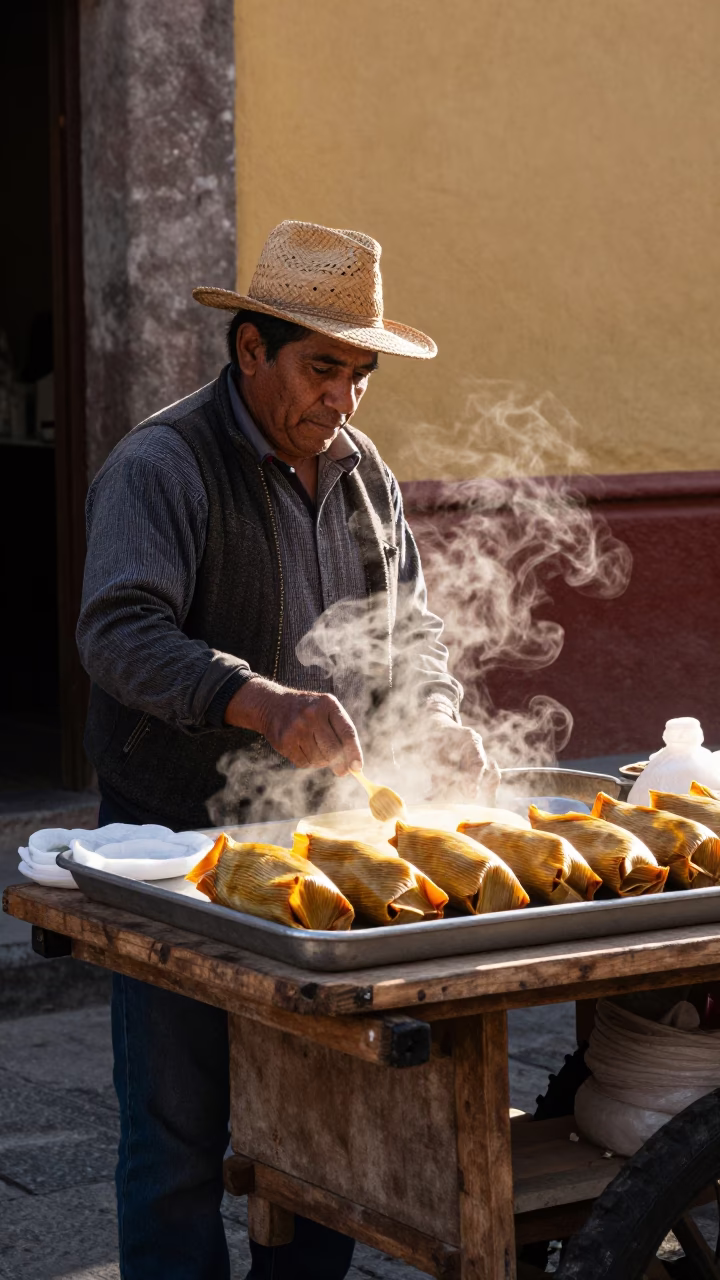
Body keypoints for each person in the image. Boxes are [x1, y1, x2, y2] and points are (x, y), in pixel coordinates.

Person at [77, 220, 491, 1280]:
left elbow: (414, 632)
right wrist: (255, 701)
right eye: (322, 369)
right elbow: (119, 632)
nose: (342, 399)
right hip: (178, 856)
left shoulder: (363, 473)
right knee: (176, 1138)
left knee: (325, 1142)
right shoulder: (160, 465)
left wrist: (436, 712)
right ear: (249, 349)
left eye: (360, 375)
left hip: (320, 860)